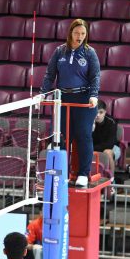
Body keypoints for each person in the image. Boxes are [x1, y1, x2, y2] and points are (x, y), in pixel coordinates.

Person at [40, 18, 101, 188]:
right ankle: (62, 173)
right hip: (62, 99)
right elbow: (49, 75)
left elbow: (95, 76)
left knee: (83, 135)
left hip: (83, 99)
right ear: (70, 33)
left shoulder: (90, 53)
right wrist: (43, 93)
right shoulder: (60, 51)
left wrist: (94, 95)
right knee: (61, 136)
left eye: (83, 33)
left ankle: (83, 173)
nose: (79, 36)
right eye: (76, 33)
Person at [92, 100, 120, 179]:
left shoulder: (111, 121)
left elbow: (110, 144)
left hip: (112, 148)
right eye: (95, 112)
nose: (97, 115)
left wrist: (92, 149)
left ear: (105, 112)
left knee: (107, 152)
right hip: (94, 147)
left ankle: (111, 179)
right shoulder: (88, 121)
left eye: (101, 112)